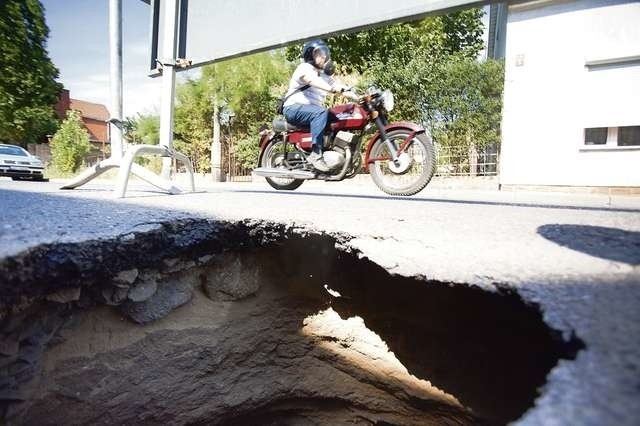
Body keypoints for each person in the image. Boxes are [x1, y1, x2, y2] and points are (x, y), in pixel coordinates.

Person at [282, 39, 350, 172]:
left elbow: (337, 86)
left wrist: (359, 96)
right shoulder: (304, 68)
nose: (323, 56)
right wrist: (331, 90)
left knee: (339, 115)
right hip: (293, 108)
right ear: (310, 55)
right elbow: (311, 80)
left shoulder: (324, 74)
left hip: (309, 110)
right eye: (319, 53)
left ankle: (332, 150)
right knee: (320, 112)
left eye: (324, 53)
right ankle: (315, 154)